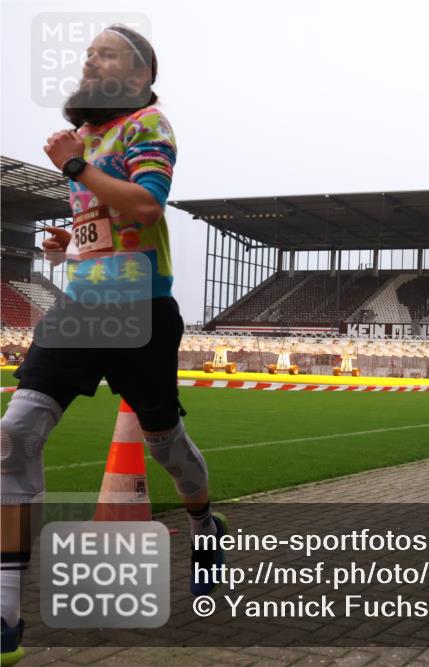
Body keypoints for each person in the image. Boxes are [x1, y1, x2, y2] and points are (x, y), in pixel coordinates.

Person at [0, 26, 226, 666]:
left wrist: (75, 167)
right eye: (88, 53)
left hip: (140, 312)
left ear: (140, 72)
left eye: (105, 52)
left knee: (165, 446)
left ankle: (205, 524)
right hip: (80, 308)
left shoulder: (148, 124)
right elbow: (106, 227)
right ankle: (6, 614)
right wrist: (68, 246)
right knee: (14, 433)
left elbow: (147, 207)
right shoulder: (89, 135)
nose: (89, 60)